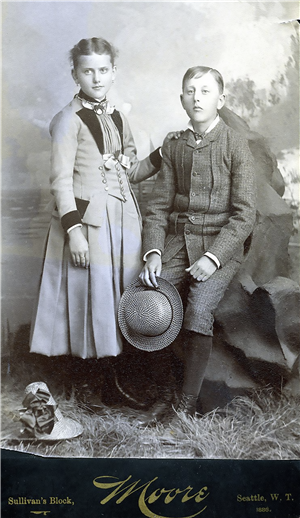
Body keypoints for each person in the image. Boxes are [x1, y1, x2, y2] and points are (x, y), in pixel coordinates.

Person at [29, 37, 166, 405]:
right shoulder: (67, 121)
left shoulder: (118, 117)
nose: (97, 78)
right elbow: (59, 181)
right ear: (75, 73)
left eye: (103, 70)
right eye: (88, 71)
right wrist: (73, 233)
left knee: (121, 297)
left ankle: (116, 380)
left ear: (114, 72)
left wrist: (163, 153)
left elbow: (131, 172)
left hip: (123, 222)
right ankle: (91, 385)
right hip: (88, 224)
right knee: (93, 301)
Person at [139, 66, 256, 421]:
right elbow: (158, 207)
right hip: (177, 241)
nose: (197, 98)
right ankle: (164, 392)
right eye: (190, 91)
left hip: (221, 244)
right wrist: (154, 252)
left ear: (220, 100)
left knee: (199, 309)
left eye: (205, 91)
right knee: (149, 299)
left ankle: (185, 403)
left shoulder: (235, 145)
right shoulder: (174, 145)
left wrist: (214, 257)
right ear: (181, 100)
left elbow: (244, 213)